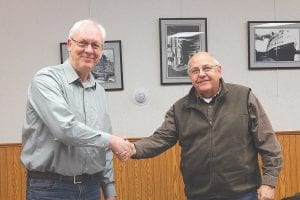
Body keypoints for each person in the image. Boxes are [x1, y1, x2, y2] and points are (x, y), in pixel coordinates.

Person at [129, 52, 283, 200]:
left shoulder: (244, 97)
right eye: (195, 71)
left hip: (243, 194)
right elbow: (160, 139)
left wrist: (269, 182)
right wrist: (133, 149)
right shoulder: (179, 108)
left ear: (219, 71)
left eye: (206, 68)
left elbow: (268, 143)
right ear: (190, 77)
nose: (201, 74)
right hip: (199, 194)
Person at [20, 19, 132, 200]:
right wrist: (111, 140)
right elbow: (65, 129)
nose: (89, 50)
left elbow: (103, 147)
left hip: (91, 187)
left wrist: (109, 190)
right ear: (70, 44)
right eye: (83, 43)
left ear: (101, 51)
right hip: (51, 189)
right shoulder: (46, 80)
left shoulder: (100, 92)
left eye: (95, 45)